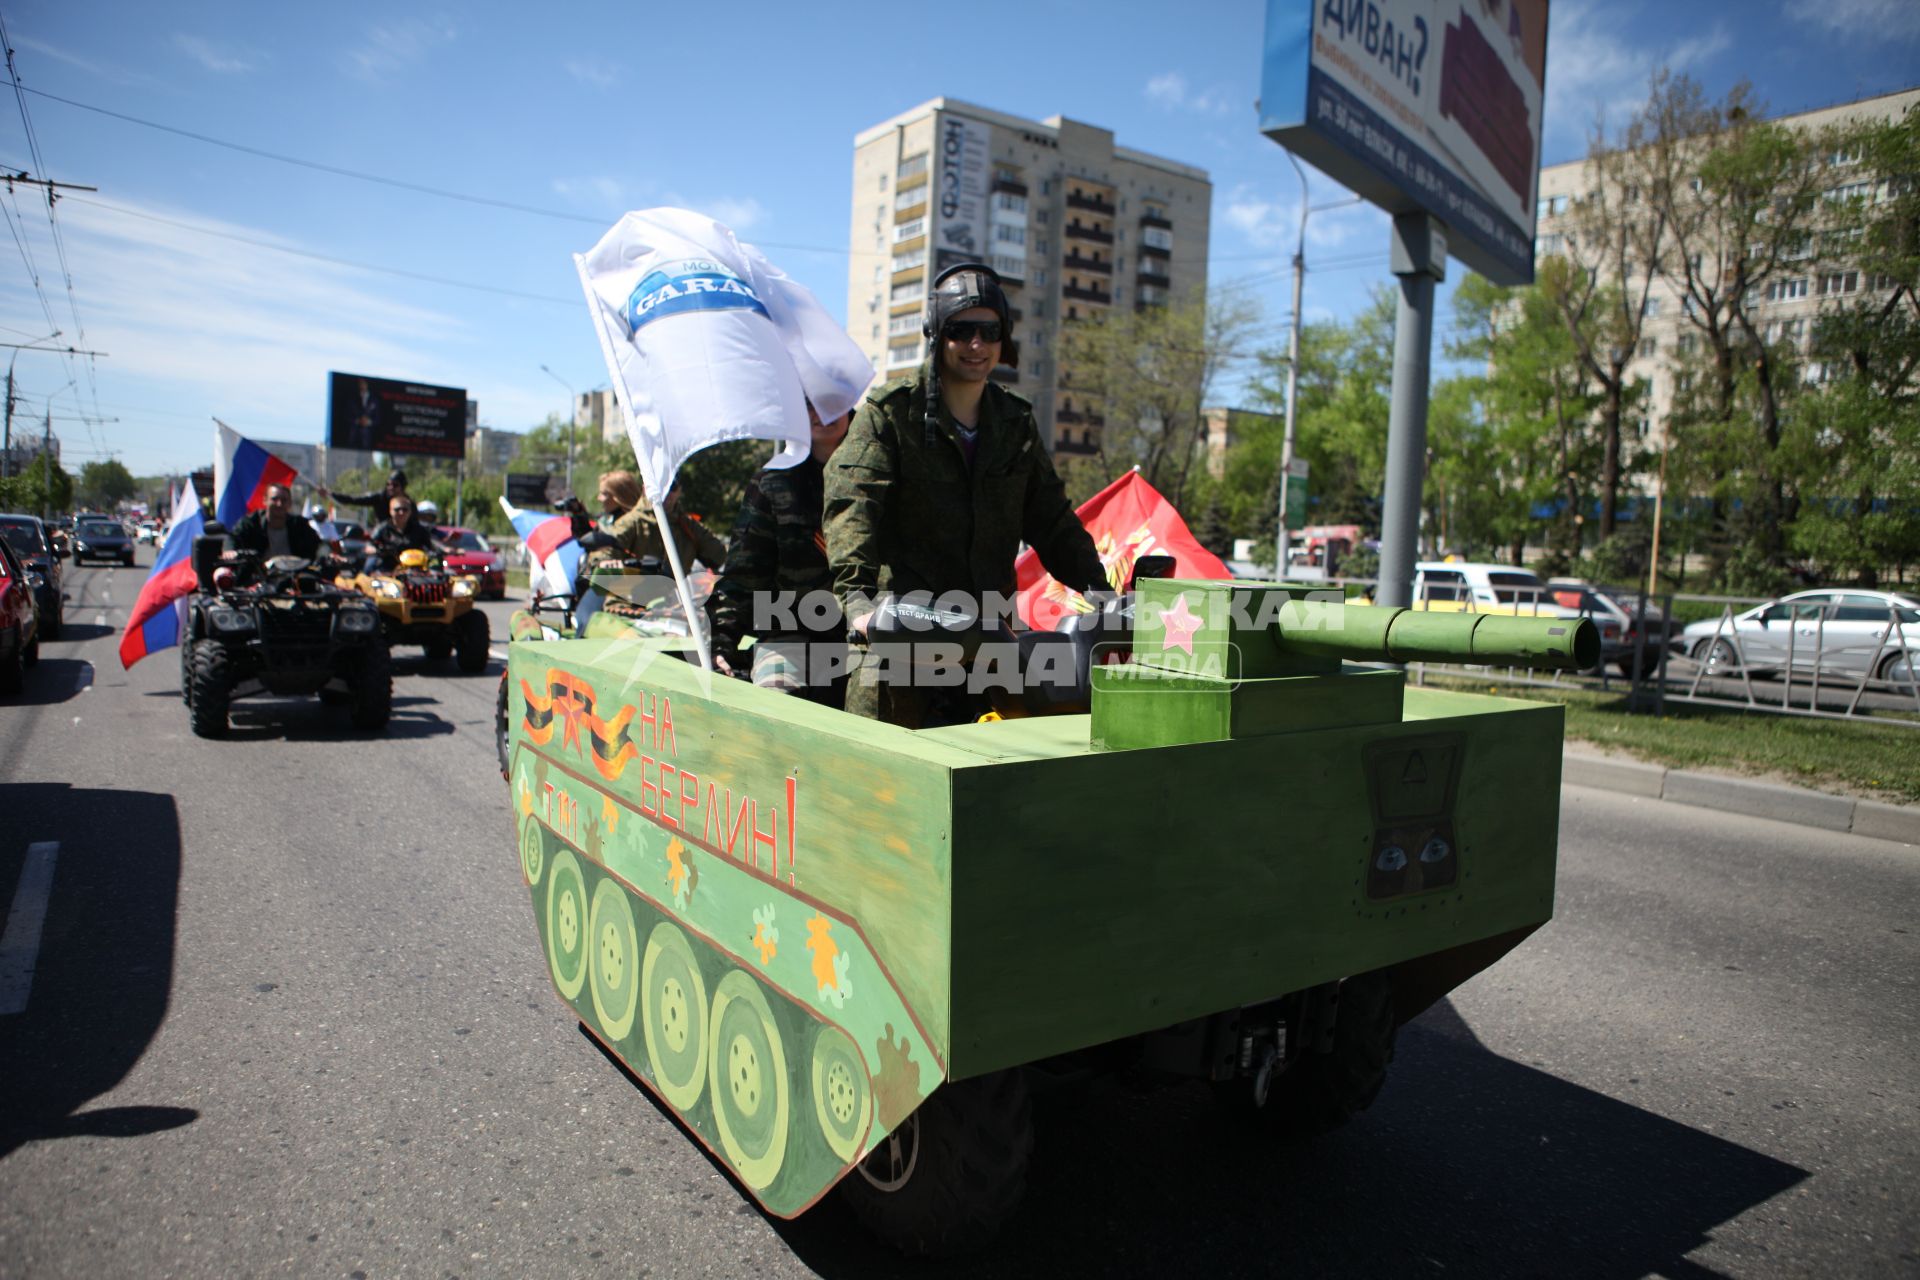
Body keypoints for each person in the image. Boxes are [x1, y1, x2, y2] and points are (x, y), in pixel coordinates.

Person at [824, 261, 1108, 726]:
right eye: (961, 330)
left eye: (989, 331)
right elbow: (852, 508)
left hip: (990, 652)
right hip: (903, 645)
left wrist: (1099, 590)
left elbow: (1052, 521)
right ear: (936, 334)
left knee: (991, 787)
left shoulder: (1014, 423)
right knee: (893, 789)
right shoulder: (891, 415)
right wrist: (858, 603)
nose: (976, 345)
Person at [707, 402, 851, 702]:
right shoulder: (774, 481)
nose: (822, 414)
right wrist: (721, 642)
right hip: (790, 637)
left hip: (865, 637)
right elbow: (745, 574)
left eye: (832, 403)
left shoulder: (880, 474)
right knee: (774, 707)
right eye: (810, 406)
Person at [572, 470, 728, 620]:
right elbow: (606, 549)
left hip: (673, 607)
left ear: (679, 491)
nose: (666, 492)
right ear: (646, 488)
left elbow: (721, 557)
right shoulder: (632, 522)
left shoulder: (688, 525)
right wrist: (605, 562)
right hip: (627, 607)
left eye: (671, 486)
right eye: (659, 485)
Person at [229, 483, 322, 561]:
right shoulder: (250, 523)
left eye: (284, 500)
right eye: (274, 499)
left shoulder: (300, 525)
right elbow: (232, 538)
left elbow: (319, 546)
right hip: (260, 577)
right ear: (265, 500)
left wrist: (328, 554)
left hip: (295, 577)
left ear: (289, 503)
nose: (279, 504)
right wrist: (229, 551)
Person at [367, 494, 439, 570]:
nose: (401, 513)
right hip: (388, 567)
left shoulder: (419, 529)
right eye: (397, 509)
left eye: (405, 510)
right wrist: (377, 550)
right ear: (390, 511)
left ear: (410, 512)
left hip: (416, 568)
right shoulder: (382, 528)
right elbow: (369, 546)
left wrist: (442, 550)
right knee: (370, 565)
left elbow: (431, 545)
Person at [321, 469, 408, 520]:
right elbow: (353, 499)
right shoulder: (379, 497)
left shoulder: (408, 502)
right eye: (388, 484)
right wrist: (331, 494)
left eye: (395, 485)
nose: (391, 487)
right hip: (384, 536)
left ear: (402, 487)